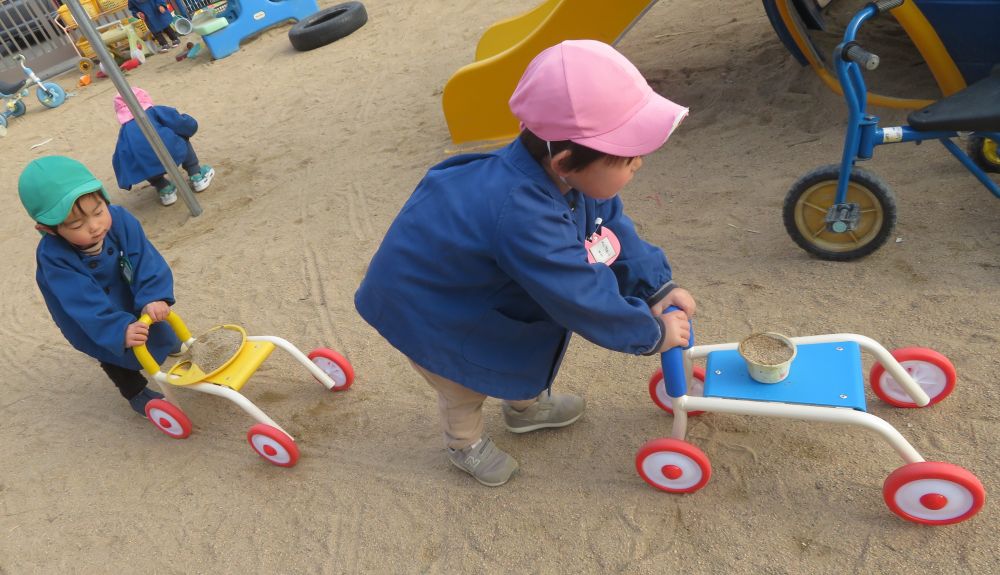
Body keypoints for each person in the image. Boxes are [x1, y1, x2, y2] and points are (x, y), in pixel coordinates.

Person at [355, 40, 696, 487]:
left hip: (472, 288)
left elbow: (610, 234)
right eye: (628, 158)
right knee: (464, 384)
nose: (640, 164)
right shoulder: (520, 212)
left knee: (519, 346)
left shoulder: (573, 183)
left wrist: (656, 286)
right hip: (431, 311)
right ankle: (465, 444)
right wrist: (650, 332)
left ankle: (524, 406)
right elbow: (579, 295)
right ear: (566, 161)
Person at [18, 155, 181, 417]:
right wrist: (116, 328)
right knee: (112, 348)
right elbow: (81, 302)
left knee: (151, 317)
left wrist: (154, 294)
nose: (94, 226)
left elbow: (143, 258)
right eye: (76, 224)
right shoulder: (54, 257)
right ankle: (135, 391)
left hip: (125, 287)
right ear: (48, 229)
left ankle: (167, 344)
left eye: (98, 212)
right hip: (91, 315)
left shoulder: (119, 219)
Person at [112, 87, 215, 206]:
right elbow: (178, 122)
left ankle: (164, 190)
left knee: (142, 160)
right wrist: (190, 124)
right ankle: (197, 175)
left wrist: (125, 174)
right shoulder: (154, 111)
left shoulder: (125, 130)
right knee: (180, 137)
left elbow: (120, 154)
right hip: (170, 150)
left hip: (148, 162)